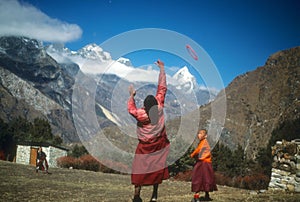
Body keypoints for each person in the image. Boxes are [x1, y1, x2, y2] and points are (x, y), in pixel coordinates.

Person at [128, 59, 170, 202]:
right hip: (158, 144)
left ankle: (136, 195)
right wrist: (162, 69)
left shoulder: (141, 114)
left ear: (145, 106)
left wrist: (131, 96)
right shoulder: (159, 107)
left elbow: (131, 109)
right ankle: (154, 195)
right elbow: (162, 88)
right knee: (157, 170)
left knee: (139, 169)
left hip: (144, 147)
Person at [190, 129, 217, 202]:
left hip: (202, 163)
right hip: (207, 163)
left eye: (201, 134)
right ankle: (207, 195)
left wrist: (192, 155)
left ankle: (196, 196)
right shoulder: (203, 142)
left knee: (198, 178)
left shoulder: (203, 142)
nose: (199, 135)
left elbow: (198, 150)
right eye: (198, 133)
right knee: (206, 179)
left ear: (205, 136)